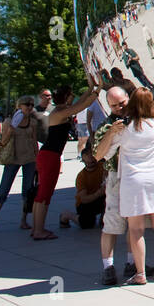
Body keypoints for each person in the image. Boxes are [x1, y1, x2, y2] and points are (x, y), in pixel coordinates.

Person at [98, 87, 154, 283]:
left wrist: (112, 133)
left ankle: (140, 273)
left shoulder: (124, 129)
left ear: (131, 102)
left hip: (133, 181)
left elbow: (102, 154)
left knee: (136, 230)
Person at [31, 83, 99, 240]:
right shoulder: (60, 112)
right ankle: (39, 231)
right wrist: (98, 90)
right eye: (71, 95)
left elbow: (79, 103)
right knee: (44, 194)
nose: (73, 97)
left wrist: (90, 89)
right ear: (66, 97)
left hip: (47, 154)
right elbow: (83, 105)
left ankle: (36, 228)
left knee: (41, 193)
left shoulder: (60, 110)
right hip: (50, 156)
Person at [0, 95, 40, 234]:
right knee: (3, 190)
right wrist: (10, 129)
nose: (29, 107)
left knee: (27, 192)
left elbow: (34, 141)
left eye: (31, 104)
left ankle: (24, 220)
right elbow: (3, 141)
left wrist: (37, 159)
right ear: (19, 106)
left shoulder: (33, 122)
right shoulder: (9, 121)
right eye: (26, 104)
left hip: (29, 158)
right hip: (13, 158)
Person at [59, 147, 107, 230]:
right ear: (83, 161)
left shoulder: (102, 167)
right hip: (85, 204)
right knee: (87, 224)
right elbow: (84, 199)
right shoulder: (81, 177)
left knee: (111, 197)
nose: (90, 159)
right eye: (87, 157)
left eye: (92, 156)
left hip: (101, 198)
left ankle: (104, 218)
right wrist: (99, 193)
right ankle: (66, 215)